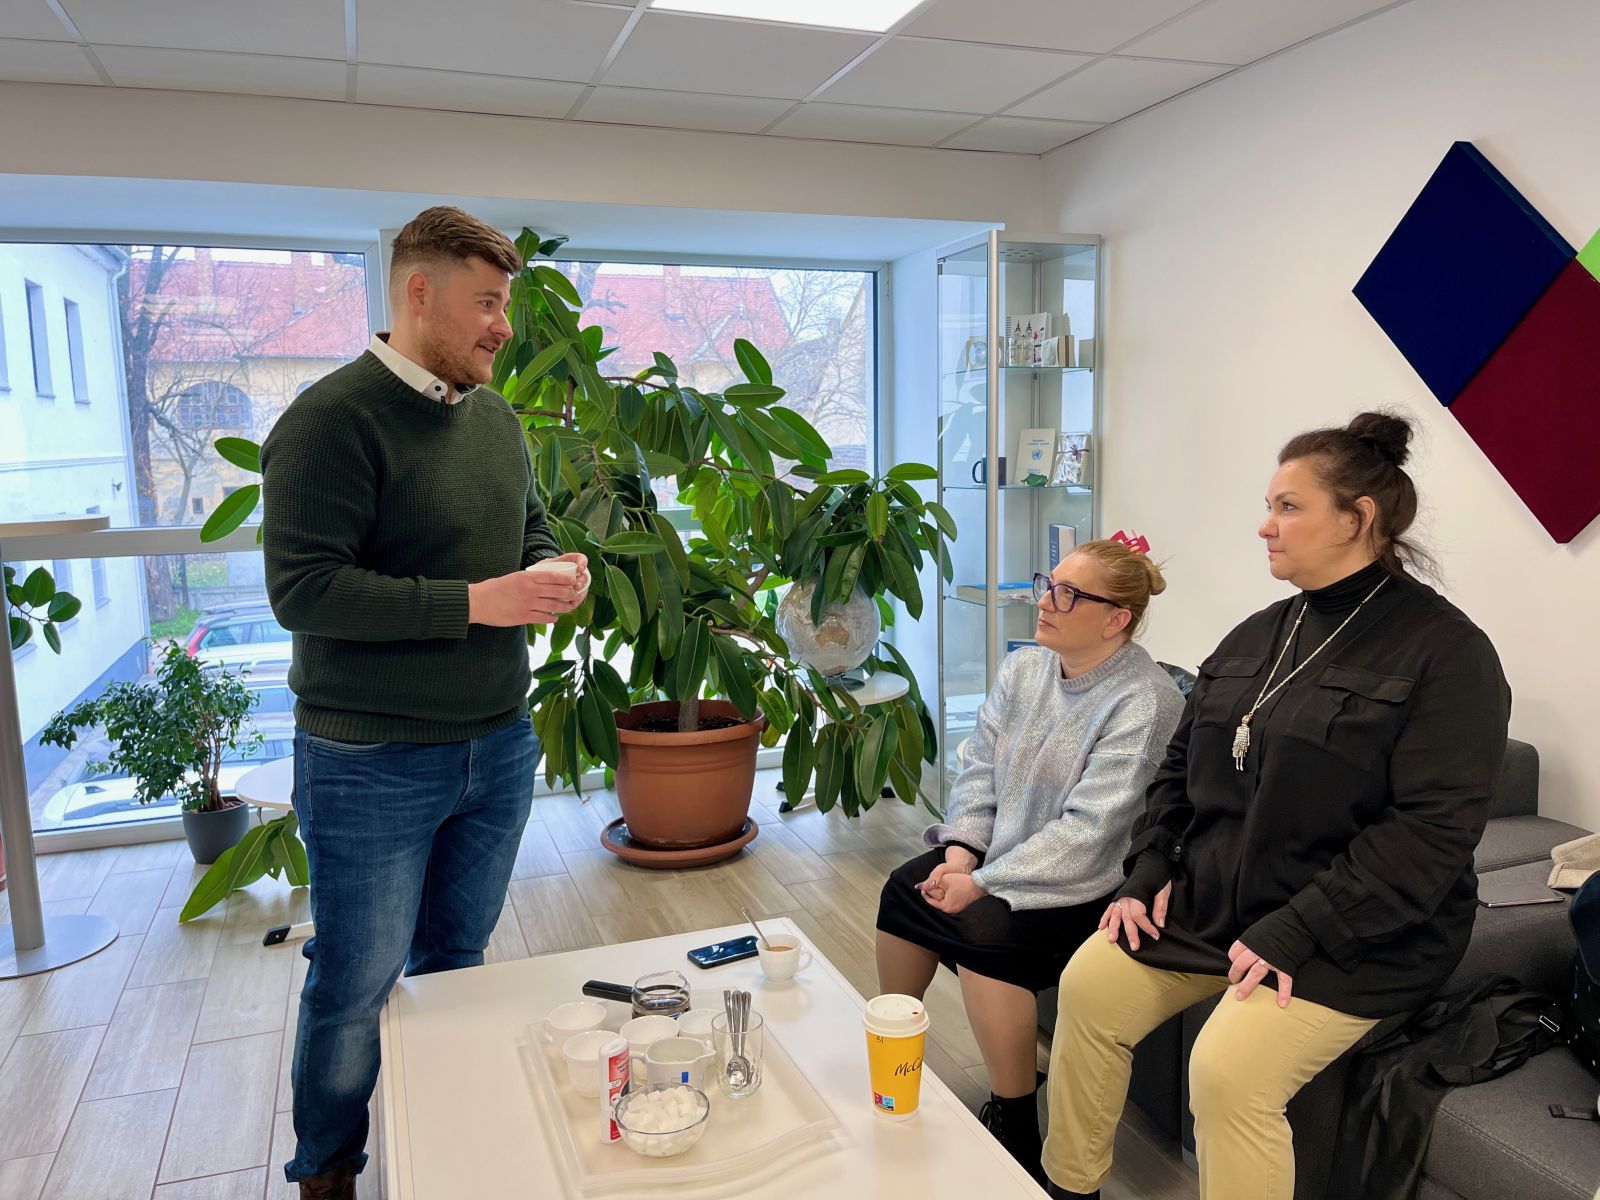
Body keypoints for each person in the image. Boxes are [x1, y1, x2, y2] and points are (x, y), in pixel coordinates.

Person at [1042, 413, 1511, 1200]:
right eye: (1269, 505)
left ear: (1357, 519)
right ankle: (1069, 1186)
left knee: (1228, 1072)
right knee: (1091, 984)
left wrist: (1296, 930)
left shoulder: (1446, 654)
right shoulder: (1258, 634)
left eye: (1288, 507)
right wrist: (1150, 867)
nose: (1265, 525)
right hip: (1222, 903)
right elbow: (1179, 767)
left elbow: (1430, 835)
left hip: (1354, 934)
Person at [262, 206, 591, 1199]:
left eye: (505, 305)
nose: (504, 326)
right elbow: (305, 591)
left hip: (497, 747)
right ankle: (328, 1172)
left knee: (457, 960)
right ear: (418, 292)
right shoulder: (328, 422)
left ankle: (447, 1150)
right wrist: (477, 603)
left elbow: (529, 530)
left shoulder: (496, 422)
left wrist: (553, 570)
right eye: (486, 303)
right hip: (369, 761)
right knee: (355, 983)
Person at [875, 539, 1184, 1184]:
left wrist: (983, 883)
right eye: (1049, 583)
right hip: (1001, 857)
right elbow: (980, 769)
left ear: (1117, 618)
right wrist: (961, 852)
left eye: (1067, 594)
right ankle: (893, 1053)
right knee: (907, 889)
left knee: (985, 930)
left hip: (1090, 883)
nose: (1043, 601)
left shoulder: (1146, 700)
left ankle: (1015, 1120)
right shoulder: (1026, 669)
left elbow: (1091, 833)